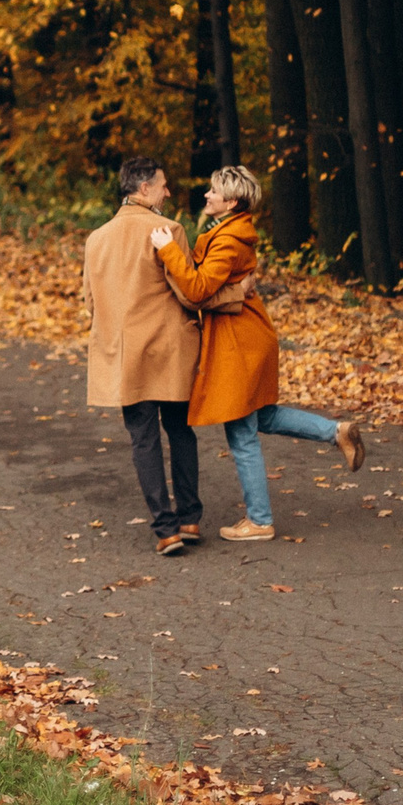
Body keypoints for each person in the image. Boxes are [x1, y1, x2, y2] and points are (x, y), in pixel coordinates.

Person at [152, 163, 364, 542]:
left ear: (232, 202)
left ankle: (260, 520)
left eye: (214, 191)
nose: (207, 195)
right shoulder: (228, 231)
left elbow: (197, 289)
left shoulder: (229, 240)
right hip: (245, 334)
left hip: (238, 340)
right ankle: (336, 432)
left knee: (241, 432)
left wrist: (168, 250)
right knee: (261, 416)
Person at [83, 157, 251, 557]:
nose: (168, 192)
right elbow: (190, 294)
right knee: (180, 431)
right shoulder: (168, 231)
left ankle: (165, 530)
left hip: (125, 355)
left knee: (143, 440)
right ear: (144, 189)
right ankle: (190, 518)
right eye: (163, 185)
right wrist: (238, 293)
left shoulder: (96, 239)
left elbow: (91, 301)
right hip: (169, 349)